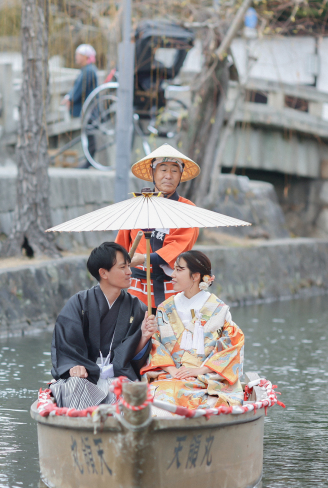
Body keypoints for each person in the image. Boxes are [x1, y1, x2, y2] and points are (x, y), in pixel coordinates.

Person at [49, 242, 158, 409]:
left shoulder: (137, 308)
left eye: (129, 266)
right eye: (123, 267)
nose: (130, 272)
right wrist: (72, 366)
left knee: (131, 393)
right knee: (74, 385)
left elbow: (134, 357)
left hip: (120, 376)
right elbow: (66, 345)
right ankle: (83, 429)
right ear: (103, 273)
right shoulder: (79, 304)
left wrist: (143, 336)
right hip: (87, 377)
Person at [140, 251, 245, 409]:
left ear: (195, 276)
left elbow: (231, 347)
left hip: (207, 376)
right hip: (170, 374)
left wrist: (199, 370)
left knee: (209, 399)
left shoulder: (219, 309)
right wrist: (173, 370)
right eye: (174, 269)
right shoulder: (164, 308)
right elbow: (155, 344)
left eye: (179, 270)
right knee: (162, 393)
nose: (172, 275)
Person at [115, 144, 200, 309]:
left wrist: (144, 258)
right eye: (163, 169)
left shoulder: (187, 209)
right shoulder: (136, 205)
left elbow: (177, 248)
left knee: (169, 334)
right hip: (135, 288)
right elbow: (120, 247)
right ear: (153, 173)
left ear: (180, 175)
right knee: (135, 333)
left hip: (172, 289)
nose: (168, 176)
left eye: (174, 170)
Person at [61, 44, 99, 168]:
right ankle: (89, 161)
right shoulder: (88, 69)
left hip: (89, 108)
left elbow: (79, 89)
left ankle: (89, 161)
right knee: (88, 134)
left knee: (89, 134)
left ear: (84, 56)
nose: (76, 57)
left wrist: (70, 98)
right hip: (88, 108)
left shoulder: (88, 70)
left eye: (78, 55)